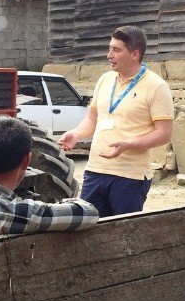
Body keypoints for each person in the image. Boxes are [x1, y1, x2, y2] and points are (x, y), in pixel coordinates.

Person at [58, 25, 174, 216]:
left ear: (135, 54)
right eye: (109, 48)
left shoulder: (156, 86)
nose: (109, 55)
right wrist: (76, 134)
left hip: (129, 176)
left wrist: (129, 144)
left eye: (116, 50)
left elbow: (164, 134)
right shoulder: (105, 79)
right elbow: (92, 119)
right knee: (87, 230)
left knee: (121, 235)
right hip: (95, 171)